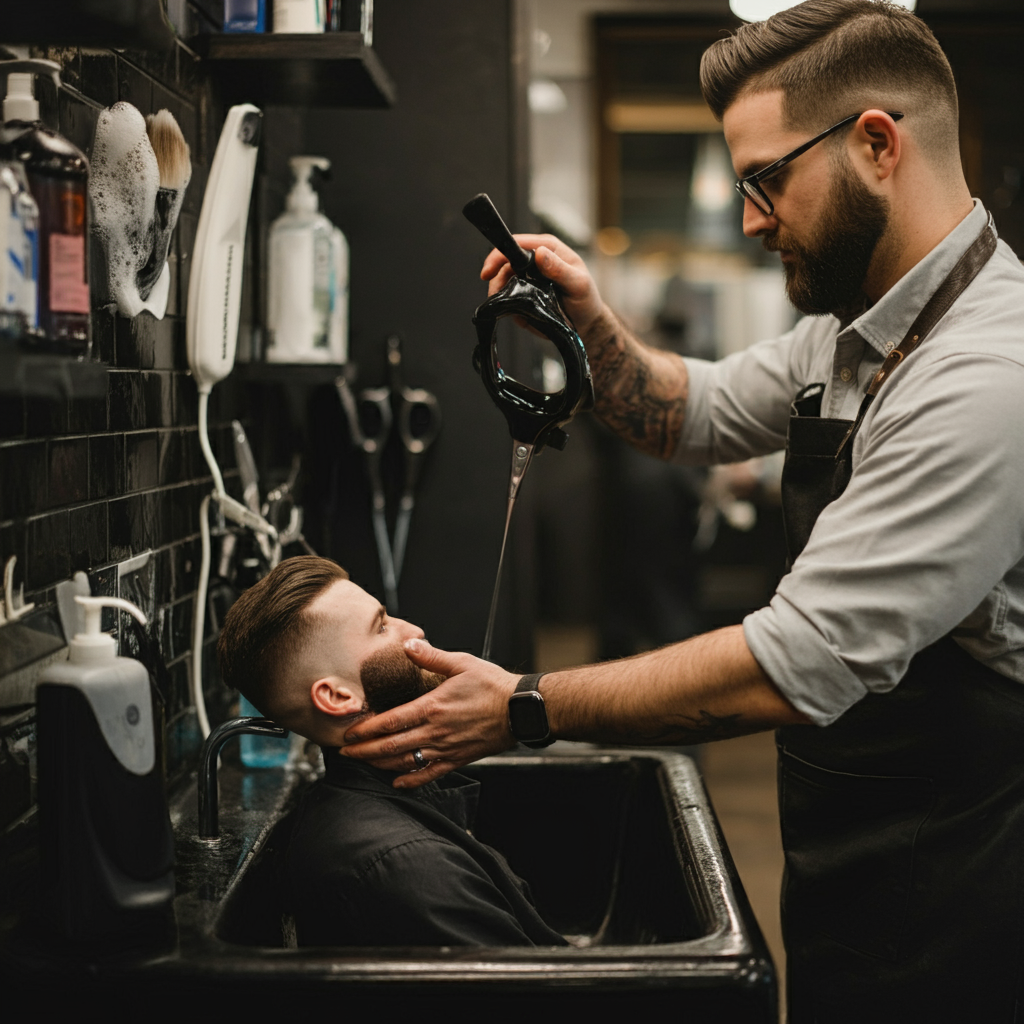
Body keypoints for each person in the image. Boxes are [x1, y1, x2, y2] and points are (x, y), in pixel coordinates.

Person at [341, 2, 1024, 1019]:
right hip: (859, 851)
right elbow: (686, 413)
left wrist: (522, 703)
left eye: (765, 179)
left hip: (971, 879)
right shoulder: (854, 332)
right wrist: (586, 317)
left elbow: (793, 662)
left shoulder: (983, 375)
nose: (749, 216)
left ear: (876, 144)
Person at [216, 555, 566, 948]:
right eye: (381, 627)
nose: (413, 630)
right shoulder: (405, 866)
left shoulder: (379, 824)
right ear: (336, 696)